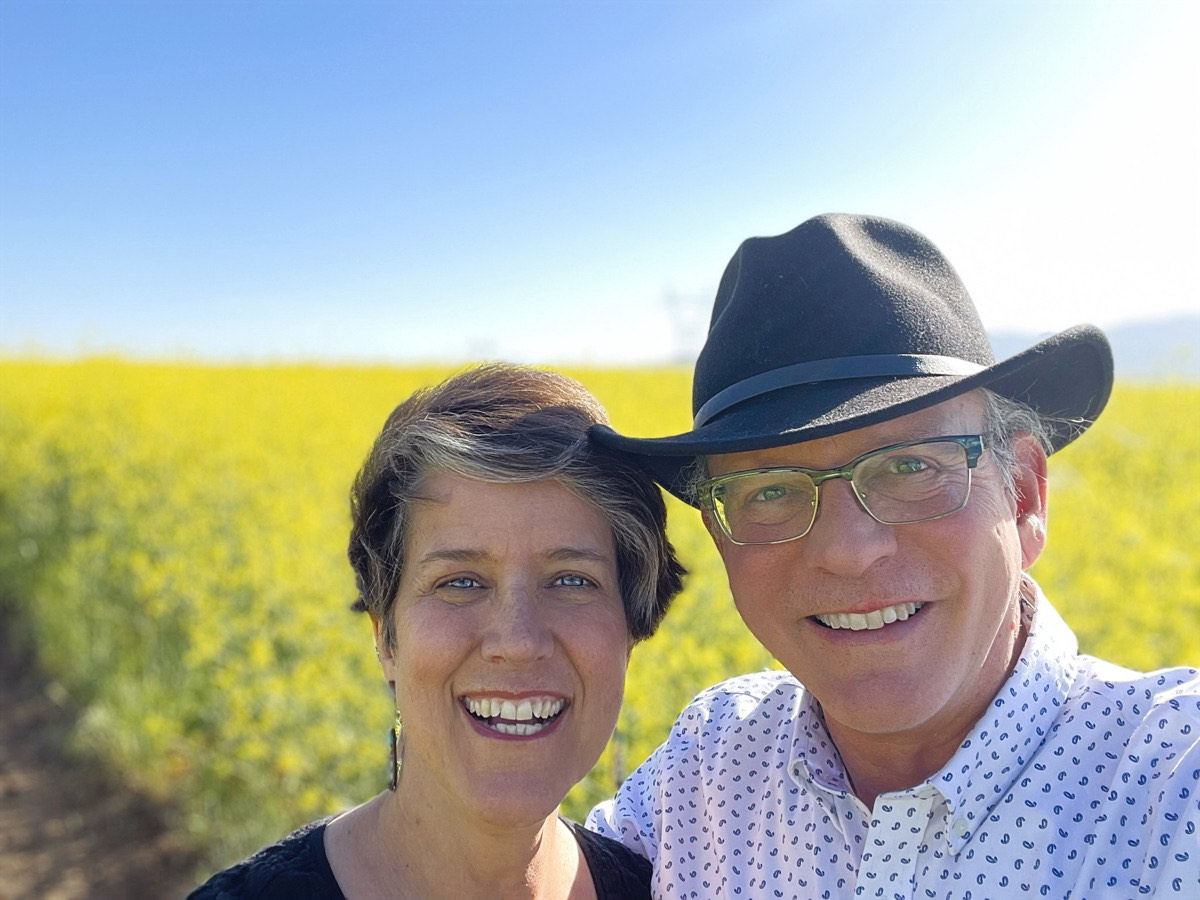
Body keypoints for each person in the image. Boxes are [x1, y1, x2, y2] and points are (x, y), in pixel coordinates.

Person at [586, 213, 1200, 897]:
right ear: (721, 536)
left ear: (1022, 496)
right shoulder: (708, 762)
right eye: (770, 490)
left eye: (910, 467)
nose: (848, 552)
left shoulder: (1176, 787)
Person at [191, 363, 685, 899]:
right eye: (461, 582)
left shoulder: (675, 888)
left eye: (571, 580)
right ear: (385, 638)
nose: (518, 642)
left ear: (630, 633)